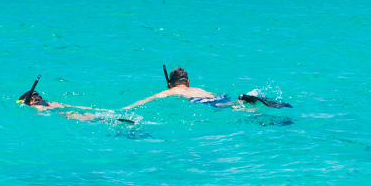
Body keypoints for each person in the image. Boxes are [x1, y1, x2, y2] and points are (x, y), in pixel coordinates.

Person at [125, 67, 291, 111]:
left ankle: (241, 100)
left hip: (205, 103)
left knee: (226, 107)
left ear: (170, 83)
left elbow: (147, 100)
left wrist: (125, 109)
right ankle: (246, 102)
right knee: (230, 105)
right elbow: (217, 95)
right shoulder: (198, 88)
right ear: (188, 81)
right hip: (216, 97)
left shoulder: (172, 91)